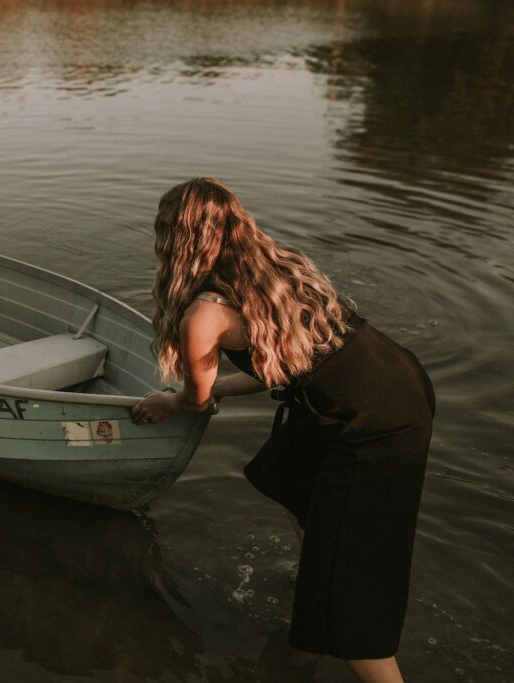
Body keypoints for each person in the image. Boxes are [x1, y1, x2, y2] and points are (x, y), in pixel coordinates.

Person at [130, 178, 434, 683]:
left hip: (372, 424)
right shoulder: (274, 266)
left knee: (346, 598)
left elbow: (195, 401)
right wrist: (214, 392)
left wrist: (169, 402)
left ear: (173, 238)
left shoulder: (204, 315)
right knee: (289, 474)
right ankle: (304, 632)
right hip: (397, 378)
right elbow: (283, 365)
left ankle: (327, 620)